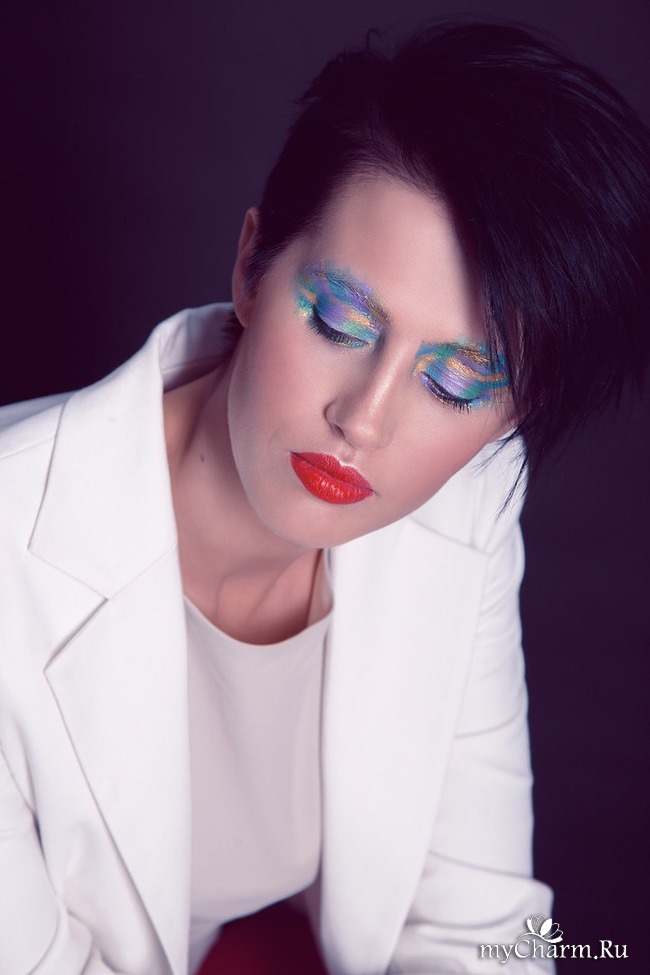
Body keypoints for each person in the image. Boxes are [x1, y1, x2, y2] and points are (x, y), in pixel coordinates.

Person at [1, 19, 648, 975]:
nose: (365, 419)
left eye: (457, 380)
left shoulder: (461, 511)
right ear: (251, 269)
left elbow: (480, 929)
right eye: (341, 319)